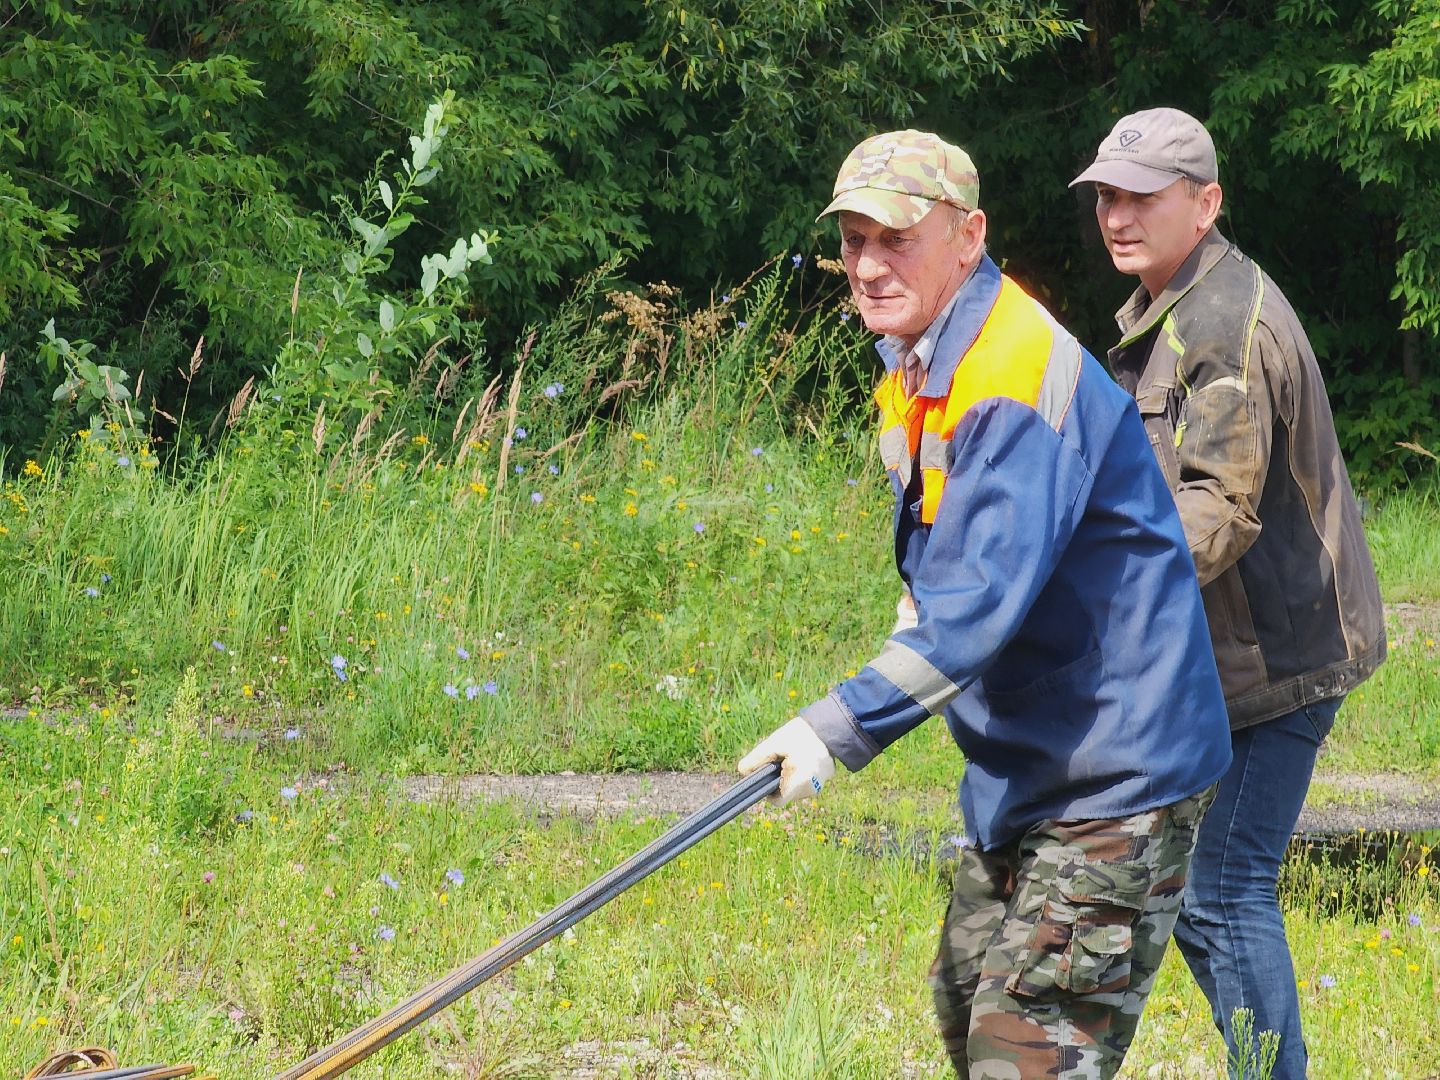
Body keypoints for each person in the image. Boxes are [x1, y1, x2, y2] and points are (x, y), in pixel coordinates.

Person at [737, 129, 1233, 1079]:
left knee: (1026, 1050)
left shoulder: (1009, 373)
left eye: (896, 238)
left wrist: (831, 730)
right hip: (1029, 761)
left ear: (968, 237)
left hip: (1118, 766)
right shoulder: (918, 354)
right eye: (852, 241)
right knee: (967, 1001)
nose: (870, 266)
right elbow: (952, 560)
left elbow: (972, 614)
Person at [1071, 107, 1387, 1078]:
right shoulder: (1181, 304)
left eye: (1141, 197)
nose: (1117, 215)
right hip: (1226, 654)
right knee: (1194, 892)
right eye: (1106, 197)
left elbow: (1218, 507)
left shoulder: (1221, 327)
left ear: (1203, 205)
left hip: (1282, 660)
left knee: (1223, 892)